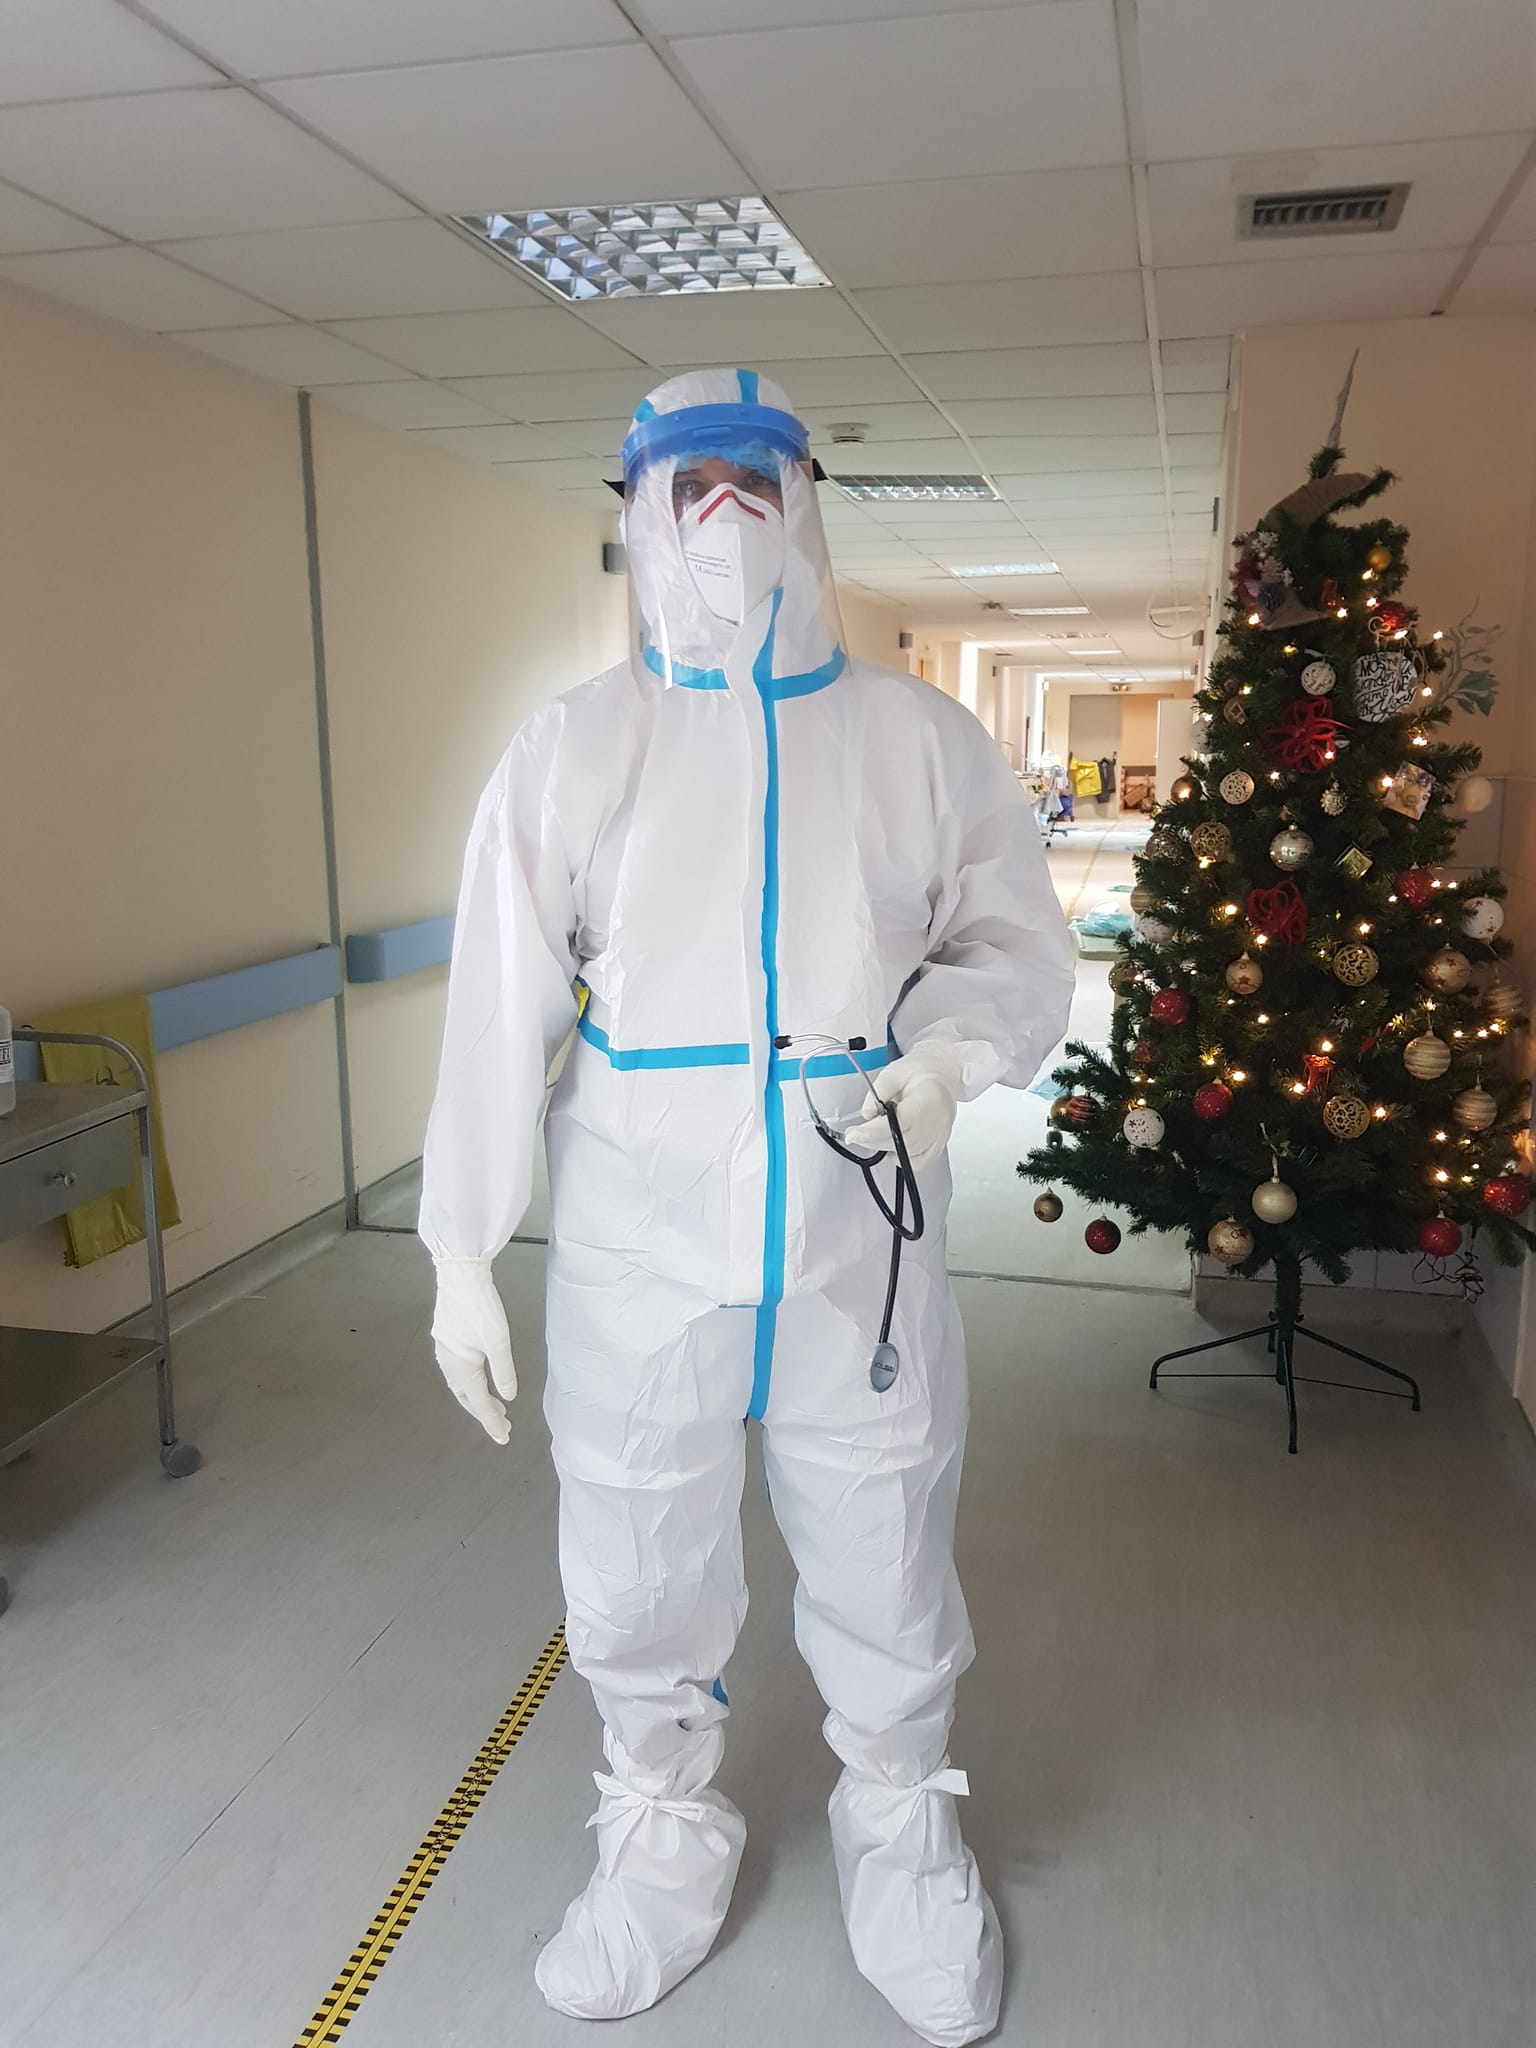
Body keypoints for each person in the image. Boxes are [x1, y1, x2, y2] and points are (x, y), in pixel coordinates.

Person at [419, 368, 1074, 2045]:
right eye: (690, 483)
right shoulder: (577, 747)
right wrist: (459, 1248)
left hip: (862, 1226)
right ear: (642, 511)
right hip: (642, 1238)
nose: (725, 514)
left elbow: (1011, 943)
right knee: (637, 1549)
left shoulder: (915, 741)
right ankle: (660, 1837)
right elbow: (498, 1007)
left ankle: (900, 1829)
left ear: (806, 505)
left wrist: (946, 1057)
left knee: (884, 1537)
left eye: (756, 480)